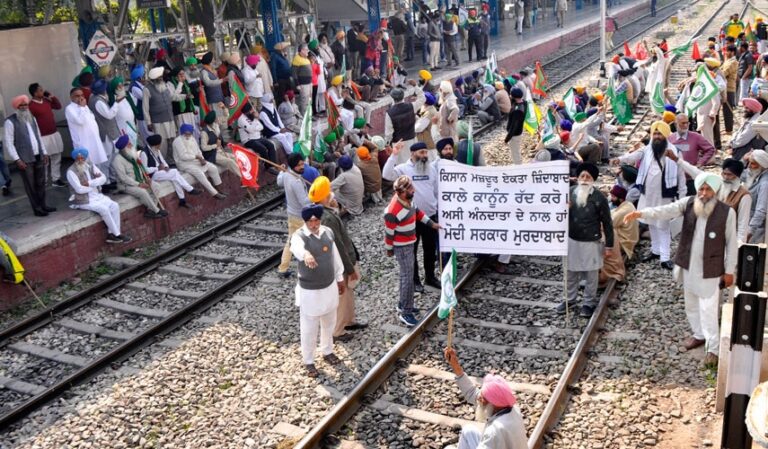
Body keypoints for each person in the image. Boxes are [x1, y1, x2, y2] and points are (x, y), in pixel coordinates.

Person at [625, 172, 737, 367]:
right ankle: (699, 334)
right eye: (701, 188)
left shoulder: (727, 213)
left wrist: (729, 271)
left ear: (716, 190)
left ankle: (713, 349)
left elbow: (732, 243)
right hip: (688, 264)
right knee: (691, 304)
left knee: (708, 309)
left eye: (708, 189)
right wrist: (641, 213)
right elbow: (666, 210)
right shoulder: (689, 203)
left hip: (711, 268)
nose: (704, 193)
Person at [614, 121, 686, 269]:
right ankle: (656, 250)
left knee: (663, 226)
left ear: (666, 135)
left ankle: (665, 258)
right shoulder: (647, 150)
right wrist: (619, 159)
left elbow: (681, 175)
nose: (657, 136)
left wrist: (682, 196)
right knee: (651, 222)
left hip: (664, 195)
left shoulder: (675, 152)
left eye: (660, 133)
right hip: (647, 194)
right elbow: (633, 156)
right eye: (655, 133)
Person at [290, 203, 346, 377]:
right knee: (309, 327)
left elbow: (334, 255)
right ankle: (308, 360)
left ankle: (327, 350)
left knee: (329, 321)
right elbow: (297, 249)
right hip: (310, 291)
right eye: (310, 222)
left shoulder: (327, 232)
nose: (313, 225)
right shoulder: (299, 236)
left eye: (316, 221)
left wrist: (339, 277)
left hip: (328, 286)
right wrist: (306, 255)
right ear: (305, 222)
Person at [307, 177, 365, 343]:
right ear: (326, 197)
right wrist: (349, 268)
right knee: (342, 295)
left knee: (348, 293)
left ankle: (349, 320)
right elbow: (338, 246)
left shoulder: (319, 213)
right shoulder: (328, 219)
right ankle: (337, 330)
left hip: (334, 262)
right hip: (339, 264)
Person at [383, 142, 441, 293]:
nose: (424, 156)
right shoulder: (404, 169)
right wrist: (394, 154)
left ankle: (430, 277)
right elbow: (386, 175)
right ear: (413, 153)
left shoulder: (431, 169)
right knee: (412, 251)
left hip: (429, 217)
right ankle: (415, 280)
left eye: (426, 152)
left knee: (430, 249)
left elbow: (435, 191)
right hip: (412, 219)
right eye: (421, 152)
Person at [443, 347, 528, 449]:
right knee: (468, 431)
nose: (479, 399)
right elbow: (472, 393)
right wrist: (455, 366)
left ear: (493, 403)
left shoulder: (493, 432)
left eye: (482, 398)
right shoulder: (513, 409)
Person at [384, 175, 440, 326]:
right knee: (407, 278)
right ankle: (406, 312)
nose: (413, 190)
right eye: (410, 188)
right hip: (402, 247)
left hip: (409, 242)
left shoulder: (408, 201)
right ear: (401, 192)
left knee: (406, 276)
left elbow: (417, 212)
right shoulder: (393, 211)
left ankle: (403, 303)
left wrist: (432, 224)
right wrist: (389, 249)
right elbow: (389, 233)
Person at [559, 162, 614, 318]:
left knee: (591, 275)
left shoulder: (599, 198)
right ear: (577, 178)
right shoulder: (569, 193)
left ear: (593, 180)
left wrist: (609, 246)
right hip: (572, 240)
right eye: (582, 176)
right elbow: (557, 217)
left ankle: (588, 303)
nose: (584, 179)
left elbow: (607, 223)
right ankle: (569, 300)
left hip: (591, 241)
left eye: (588, 177)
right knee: (570, 272)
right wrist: (564, 209)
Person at [669, 152, 751, 242]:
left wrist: (738, 248)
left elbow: (742, 225)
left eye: (730, 175)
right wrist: (677, 160)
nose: (726, 177)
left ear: (737, 176)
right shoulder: (716, 183)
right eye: (724, 174)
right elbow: (695, 172)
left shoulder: (744, 196)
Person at [66, 148, 131, 243]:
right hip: (83, 200)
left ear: (85, 158)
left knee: (115, 206)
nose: (80, 161)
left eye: (82, 158)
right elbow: (79, 189)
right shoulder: (71, 172)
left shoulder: (90, 166)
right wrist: (95, 184)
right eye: (78, 159)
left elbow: (103, 178)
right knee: (104, 209)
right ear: (75, 159)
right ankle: (118, 234)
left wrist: (90, 183)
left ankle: (111, 234)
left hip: (96, 196)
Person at [4, 95, 54, 216]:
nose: (24, 107)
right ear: (16, 107)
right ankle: (37, 209)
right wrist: (17, 159)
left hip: (38, 155)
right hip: (24, 159)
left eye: (25, 105)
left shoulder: (32, 118)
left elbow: (38, 136)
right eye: (21, 105)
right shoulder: (10, 121)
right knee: (30, 185)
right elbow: (9, 143)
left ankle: (43, 205)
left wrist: (45, 152)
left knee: (41, 182)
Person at [111, 135, 166, 219]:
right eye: (129, 144)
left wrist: (146, 178)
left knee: (156, 186)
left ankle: (150, 211)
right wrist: (139, 184)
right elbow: (123, 178)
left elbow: (141, 168)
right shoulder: (117, 160)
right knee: (142, 192)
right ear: (124, 148)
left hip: (140, 180)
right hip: (126, 185)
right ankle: (156, 210)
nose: (131, 145)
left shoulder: (133, 154)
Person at [141, 134, 200, 208]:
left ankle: (182, 200)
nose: (160, 145)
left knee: (175, 177)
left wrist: (166, 167)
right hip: (152, 175)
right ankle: (190, 189)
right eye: (159, 144)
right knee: (175, 172)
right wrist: (157, 168)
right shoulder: (144, 153)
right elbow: (144, 170)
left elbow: (163, 161)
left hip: (160, 172)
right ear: (155, 145)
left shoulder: (156, 150)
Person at [278, 153, 311, 277]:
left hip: (291, 213)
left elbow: (279, 182)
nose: (302, 167)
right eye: (299, 165)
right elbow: (304, 202)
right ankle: (307, 266)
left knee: (291, 241)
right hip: (300, 216)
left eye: (302, 163)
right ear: (293, 166)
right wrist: (315, 195)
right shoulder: (296, 181)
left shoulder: (287, 174)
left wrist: (281, 171)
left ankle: (283, 267)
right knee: (308, 240)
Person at [172, 124, 226, 199]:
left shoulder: (192, 138)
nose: (189, 134)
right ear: (183, 132)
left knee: (213, 168)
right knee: (200, 173)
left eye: (190, 133)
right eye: (187, 133)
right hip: (184, 164)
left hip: (196, 160)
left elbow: (198, 150)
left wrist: (202, 158)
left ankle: (218, 188)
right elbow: (183, 156)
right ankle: (214, 193)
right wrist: (197, 157)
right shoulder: (177, 141)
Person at [668, 113, 716, 195]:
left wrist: (701, 162)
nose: (686, 125)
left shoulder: (696, 137)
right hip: (674, 179)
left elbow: (710, 149)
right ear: (676, 124)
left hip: (690, 178)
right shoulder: (670, 138)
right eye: (683, 123)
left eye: (687, 123)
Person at [28, 83, 65, 187]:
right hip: (42, 137)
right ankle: (43, 180)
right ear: (35, 93)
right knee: (44, 160)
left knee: (56, 157)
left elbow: (58, 106)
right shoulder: (31, 106)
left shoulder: (46, 101)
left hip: (54, 133)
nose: (43, 91)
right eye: (40, 90)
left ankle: (56, 179)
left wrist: (51, 96)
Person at [599, 185, 635, 286]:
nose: (611, 199)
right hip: (627, 237)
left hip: (625, 243)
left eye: (613, 197)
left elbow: (607, 224)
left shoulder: (624, 211)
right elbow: (612, 212)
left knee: (602, 237)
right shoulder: (627, 204)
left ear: (620, 198)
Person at [142, 67, 177, 163]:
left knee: (172, 139)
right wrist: (148, 122)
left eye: (161, 77)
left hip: (169, 117)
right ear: (155, 79)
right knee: (162, 143)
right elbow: (145, 108)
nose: (161, 78)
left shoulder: (165, 85)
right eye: (160, 77)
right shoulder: (147, 89)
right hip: (158, 121)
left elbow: (172, 97)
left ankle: (172, 160)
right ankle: (161, 161)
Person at [199, 111, 242, 179]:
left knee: (235, 157)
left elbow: (226, 116)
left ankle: (246, 175)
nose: (217, 118)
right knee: (230, 162)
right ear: (213, 120)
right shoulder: (204, 132)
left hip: (220, 151)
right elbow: (203, 147)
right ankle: (243, 179)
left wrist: (223, 108)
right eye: (216, 117)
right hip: (211, 154)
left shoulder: (216, 125)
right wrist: (215, 145)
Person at [385, 88, 420, 165]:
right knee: (414, 163)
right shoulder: (412, 106)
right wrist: (415, 86)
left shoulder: (390, 113)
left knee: (402, 167)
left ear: (392, 98)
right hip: (412, 139)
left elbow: (389, 133)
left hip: (399, 143)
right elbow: (423, 98)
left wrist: (387, 144)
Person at [745, 150, 768, 244]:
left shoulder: (765, 184)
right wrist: (743, 160)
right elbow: (737, 173)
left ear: (762, 165)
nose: (749, 166)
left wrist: (750, 231)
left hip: (757, 230)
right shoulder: (755, 174)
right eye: (749, 162)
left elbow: (761, 210)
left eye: (753, 163)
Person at [504, 88, 527, 164]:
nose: (510, 95)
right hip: (518, 131)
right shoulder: (524, 102)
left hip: (515, 135)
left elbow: (514, 127)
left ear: (514, 96)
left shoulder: (517, 111)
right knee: (516, 150)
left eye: (511, 94)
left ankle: (519, 167)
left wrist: (506, 139)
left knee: (515, 153)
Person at [721, 45, 738, 135]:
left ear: (732, 52)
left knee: (728, 110)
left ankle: (729, 130)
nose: (725, 53)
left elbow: (724, 72)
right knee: (724, 109)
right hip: (724, 88)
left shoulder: (734, 62)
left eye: (727, 51)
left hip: (729, 88)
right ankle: (727, 128)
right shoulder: (727, 61)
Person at [292, 43, 313, 116]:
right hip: (303, 84)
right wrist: (297, 84)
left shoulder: (306, 58)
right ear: (302, 51)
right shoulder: (297, 59)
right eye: (306, 50)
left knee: (309, 100)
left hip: (309, 83)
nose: (308, 51)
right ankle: (304, 116)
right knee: (304, 101)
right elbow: (294, 73)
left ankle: (309, 115)